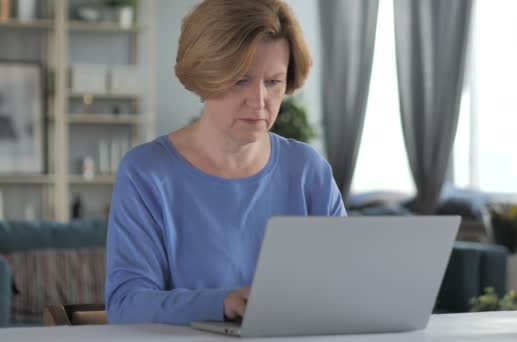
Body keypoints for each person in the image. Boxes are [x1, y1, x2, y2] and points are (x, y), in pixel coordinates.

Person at [104, 0, 346, 325]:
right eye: (240, 80)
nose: (259, 101)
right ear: (206, 76)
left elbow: (346, 285)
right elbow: (125, 304)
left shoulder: (308, 170)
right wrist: (223, 303)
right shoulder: (147, 172)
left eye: (273, 82)